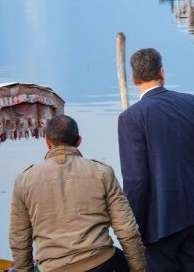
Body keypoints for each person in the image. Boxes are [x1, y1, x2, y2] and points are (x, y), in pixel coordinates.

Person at [9, 115, 145, 272]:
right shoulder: (101, 172)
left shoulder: (24, 181)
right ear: (79, 141)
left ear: (47, 142)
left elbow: (19, 239)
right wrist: (138, 269)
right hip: (102, 262)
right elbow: (127, 229)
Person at [118, 48, 194, 272]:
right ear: (161, 72)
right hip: (193, 213)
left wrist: (134, 230)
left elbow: (136, 180)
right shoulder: (191, 103)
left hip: (159, 223)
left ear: (133, 78)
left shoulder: (131, 117)